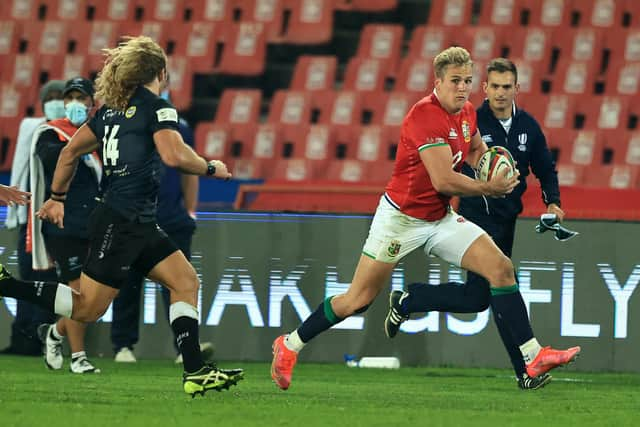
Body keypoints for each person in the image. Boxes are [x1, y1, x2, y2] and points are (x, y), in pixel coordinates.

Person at [270, 47, 580, 391]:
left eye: (467, 81)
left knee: (501, 268)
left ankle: (532, 355)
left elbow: (476, 150)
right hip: (400, 221)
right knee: (357, 300)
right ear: (438, 82)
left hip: (439, 218)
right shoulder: (424, 116)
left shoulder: (465, 113)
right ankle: (290, 344)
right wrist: (488, 187)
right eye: (455, 81)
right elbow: (443, 180)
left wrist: (492, 161)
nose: (463, 88)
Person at [0, 36, 242, 397]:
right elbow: (174, 155)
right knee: (85, 309)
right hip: (121, 222)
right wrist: (210, 166)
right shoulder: (157, 108)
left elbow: (69, 154)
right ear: (160, 72)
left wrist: (56, 197)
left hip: (135, 221)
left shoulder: (110, 111)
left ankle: (195, 371)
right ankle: (6, 285)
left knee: (185, 281)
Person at [383, 58, 565, 390]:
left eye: (506, 86)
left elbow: (544, 166)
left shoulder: (528, 127)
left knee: (477, 298)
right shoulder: (470, 117)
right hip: (477, 214)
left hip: (506, 218)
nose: (499, 93)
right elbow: (449, 167)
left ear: (516, 89)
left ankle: (409, 300)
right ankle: (526, 369)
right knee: (501, 287)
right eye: (494, 86)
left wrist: (553, 200)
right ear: (485, 88)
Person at [111, 87, 213, 365]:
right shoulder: (123, 125)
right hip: (133, 216)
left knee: (178, 283)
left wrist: (190, 211)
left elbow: (189, 170)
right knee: (127, 283)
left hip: (170, 217)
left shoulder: (180, 127)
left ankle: (184, 346)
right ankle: (123, 345)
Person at [34, 77, 101, 374]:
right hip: (63, 223)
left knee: (95, 300)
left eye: (81, 98)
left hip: (96, 223)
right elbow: (51, 159)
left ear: (92, 104)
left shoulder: (99, 135)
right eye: (70, 98)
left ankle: (54, 333)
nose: (75, 103)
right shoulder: (49, 133)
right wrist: (77, 146)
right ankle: (79, 358)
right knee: (77, 293)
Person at [1, 80, 64, 356]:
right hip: (31, 217)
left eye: (59, 96)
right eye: (49, 97)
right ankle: (22, 337)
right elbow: (22, 169)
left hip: (61, 219)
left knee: (52, 281)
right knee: (26, 277)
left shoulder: (73, 135)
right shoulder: (33, 129)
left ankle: (42, 336)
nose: (54, 101)